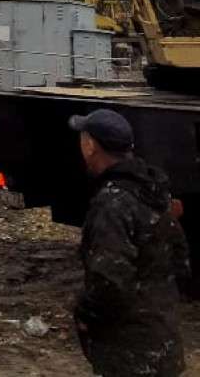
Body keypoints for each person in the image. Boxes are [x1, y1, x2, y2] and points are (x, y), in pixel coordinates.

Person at [69, 107, 191, 377]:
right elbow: (181, 262)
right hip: (164, 346)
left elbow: (108, 281)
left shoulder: (112, 203)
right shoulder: (153, 191)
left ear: (90, 146)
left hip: (128, 356)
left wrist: (84, 314)